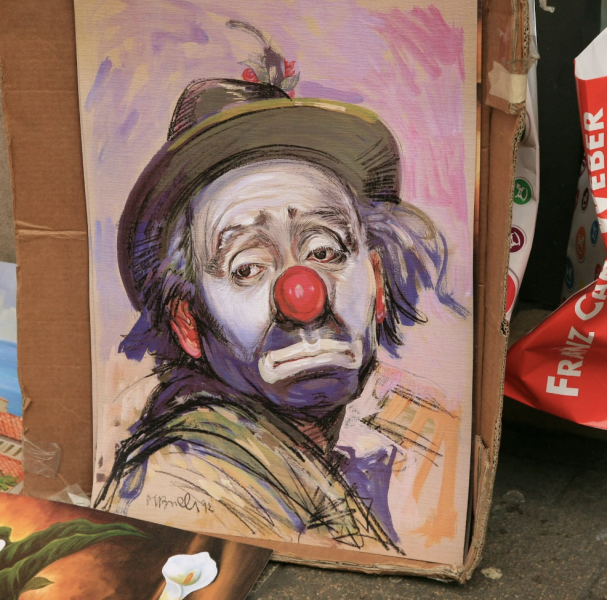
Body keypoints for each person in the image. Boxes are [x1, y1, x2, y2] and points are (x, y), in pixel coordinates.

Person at [94, 24, 468, 556]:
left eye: (324, 252)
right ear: (187, 323)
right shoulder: (186, 477)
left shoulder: (410, 435)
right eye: (248, 267)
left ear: (378, 283)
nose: (303, 297)